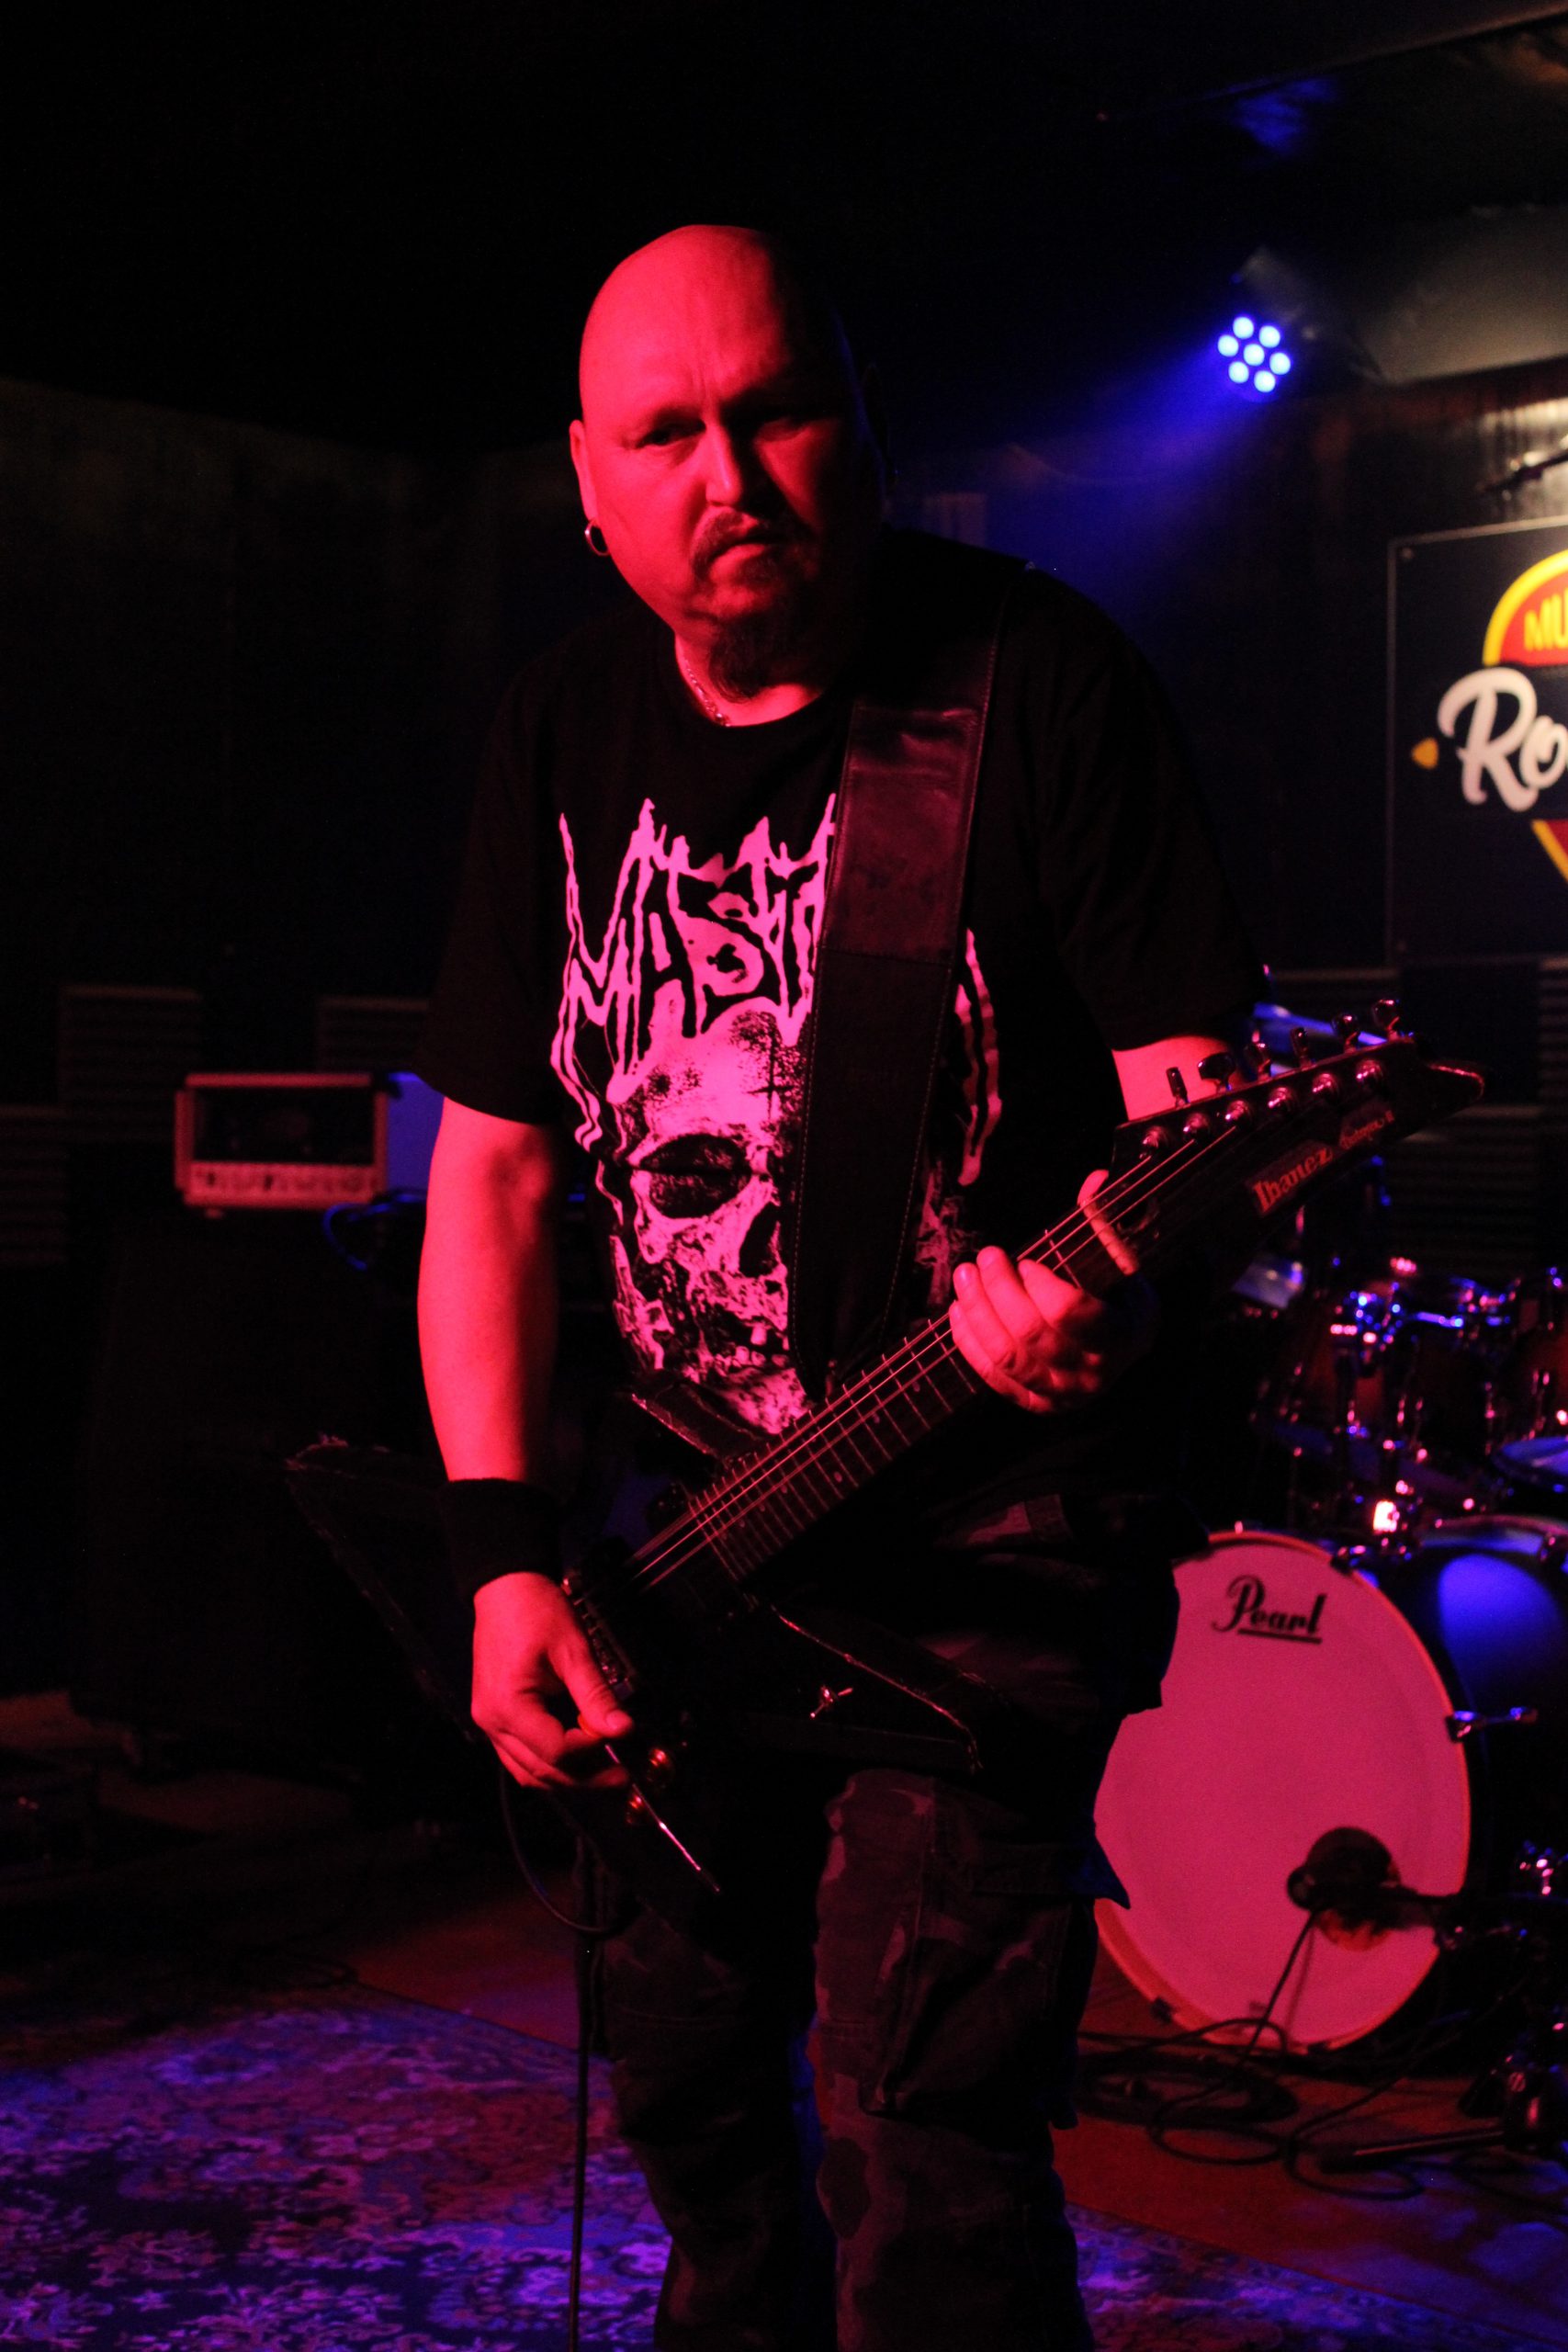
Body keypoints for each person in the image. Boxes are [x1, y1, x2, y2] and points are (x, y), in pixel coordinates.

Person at [416, 224, 1261, 2352]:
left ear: (860, 425)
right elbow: (494, 1174)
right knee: (697, 2120)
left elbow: (1191, 1128)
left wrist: (1101, 1296)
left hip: (979, 1551)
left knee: (923, 2155)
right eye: (665, 435)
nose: (730, 476)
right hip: (676, 1545)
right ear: (588, 483)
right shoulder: (558, 734)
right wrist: (504, 1558)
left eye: (774, 409)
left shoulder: (1036, 682)